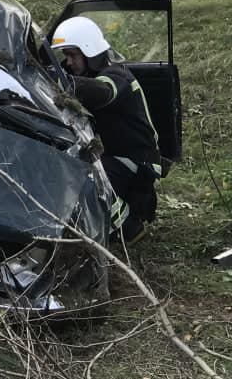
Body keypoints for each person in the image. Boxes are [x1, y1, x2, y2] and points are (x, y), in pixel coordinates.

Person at [51, 16, 161, 244]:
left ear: (89, 51)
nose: (68, 62)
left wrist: (64, 82)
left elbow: (104, 91)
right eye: (66, 56)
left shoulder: (117, 76)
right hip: (116, 156)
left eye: (72, 55)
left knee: (85, 175)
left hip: (137, 160)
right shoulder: (91, 76)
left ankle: (128, 228)